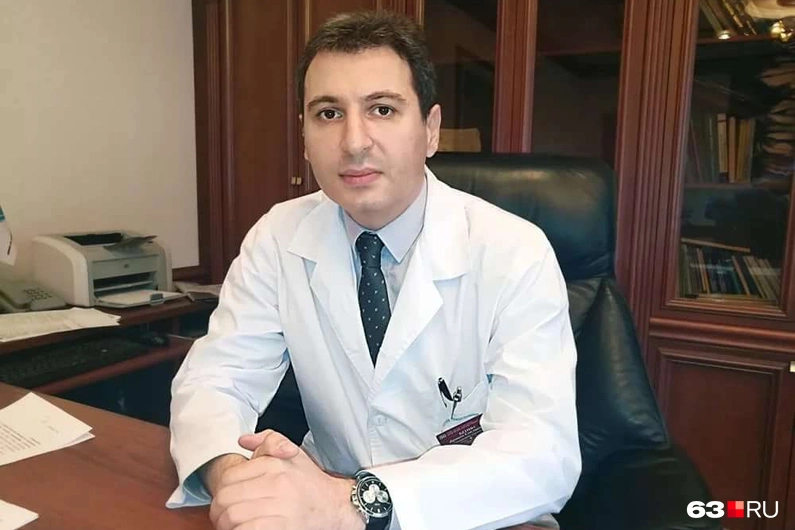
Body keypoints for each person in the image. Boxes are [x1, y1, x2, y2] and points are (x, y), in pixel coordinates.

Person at [168, 10, 581, 530]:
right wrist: (232, 475)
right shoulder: (277, 236)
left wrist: (352, 504)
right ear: (304, 137)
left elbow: (540, 454)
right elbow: (217, 378)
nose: (354, 142)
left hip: (474, 514)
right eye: (328, 113)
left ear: (430, 130)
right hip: (320, 502)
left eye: (382, 109)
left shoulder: (514, 250)